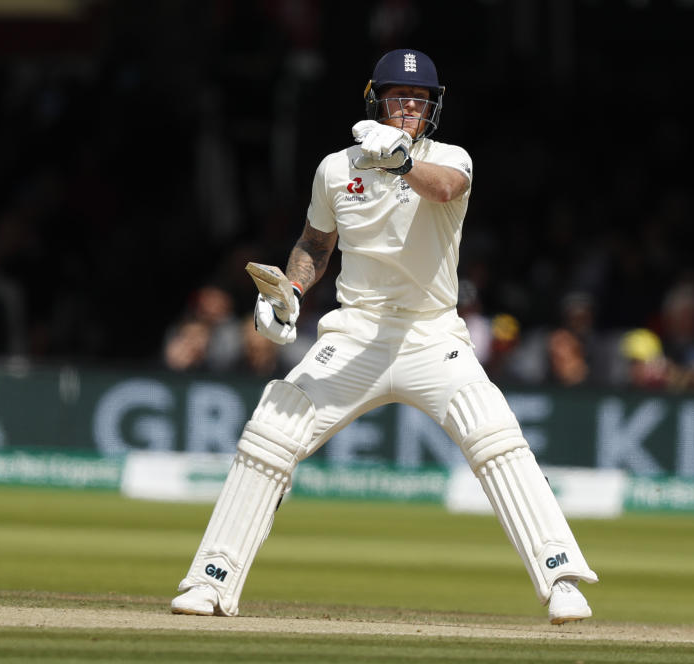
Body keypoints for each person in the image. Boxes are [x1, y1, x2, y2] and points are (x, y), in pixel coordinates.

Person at [170, 49, 598, 624]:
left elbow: (444, 189)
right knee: (272, 430)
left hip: (431, 336)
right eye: (399, 98)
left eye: (419, 101)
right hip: (356, 333)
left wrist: (398, 163)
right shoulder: (334, 168)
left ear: (433, 108)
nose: (408, 110)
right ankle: (212, 581)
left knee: (494, 434)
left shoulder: (451, 159)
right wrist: (289, 295)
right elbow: (314, 245)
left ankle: (562, 579)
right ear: (376, 100)